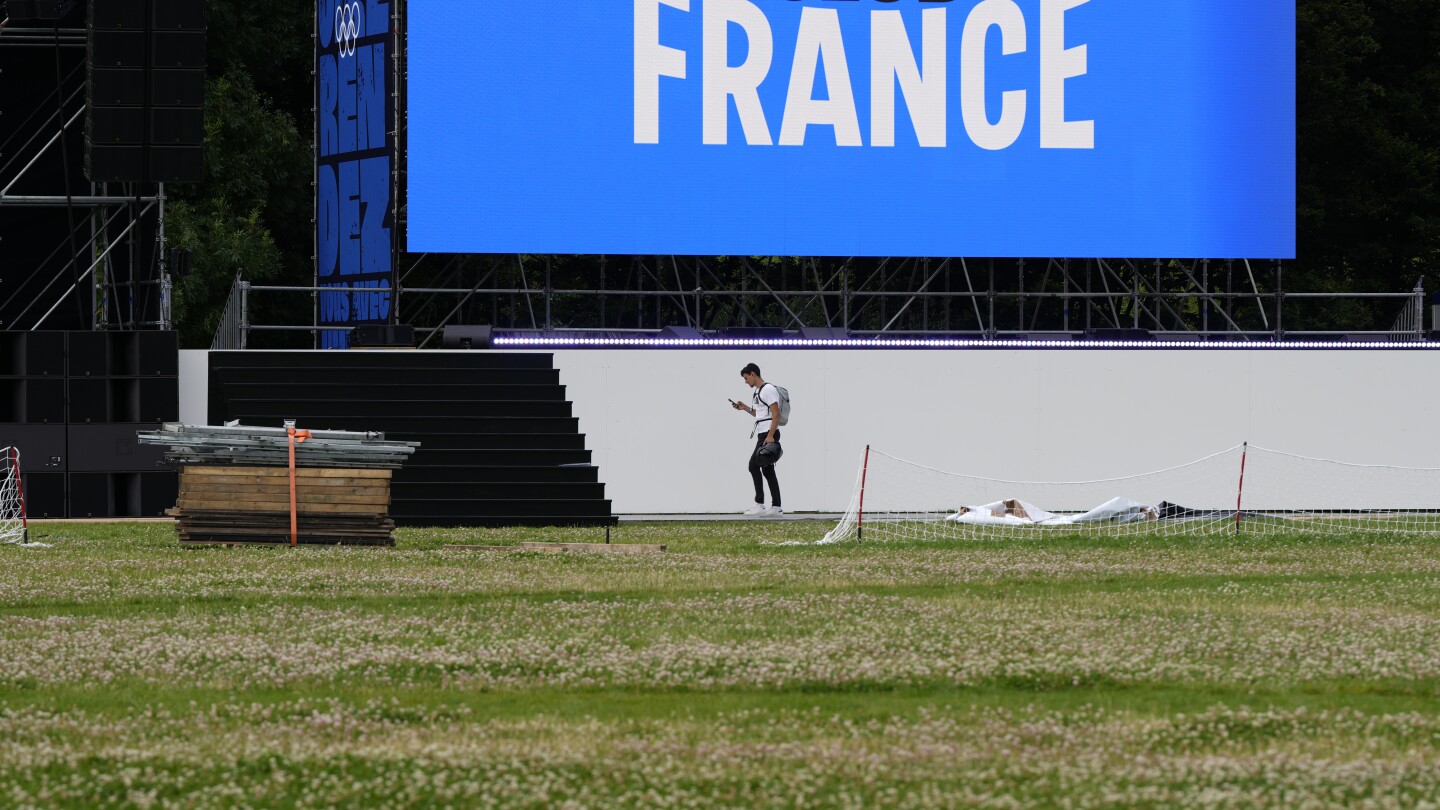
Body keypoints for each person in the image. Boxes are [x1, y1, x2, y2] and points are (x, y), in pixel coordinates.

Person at [732, 362, 782, 517]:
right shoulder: (758, 392)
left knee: (753, 466)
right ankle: (776, 507)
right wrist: (745, 408)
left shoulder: (768, 390)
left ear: (753, 374)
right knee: (767, 470)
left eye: (746, 378)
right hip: (763, 432)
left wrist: (770, 436)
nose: (746, 381)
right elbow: (760, 414)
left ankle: (760, 504)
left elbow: (776, 414)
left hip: (768, 433)